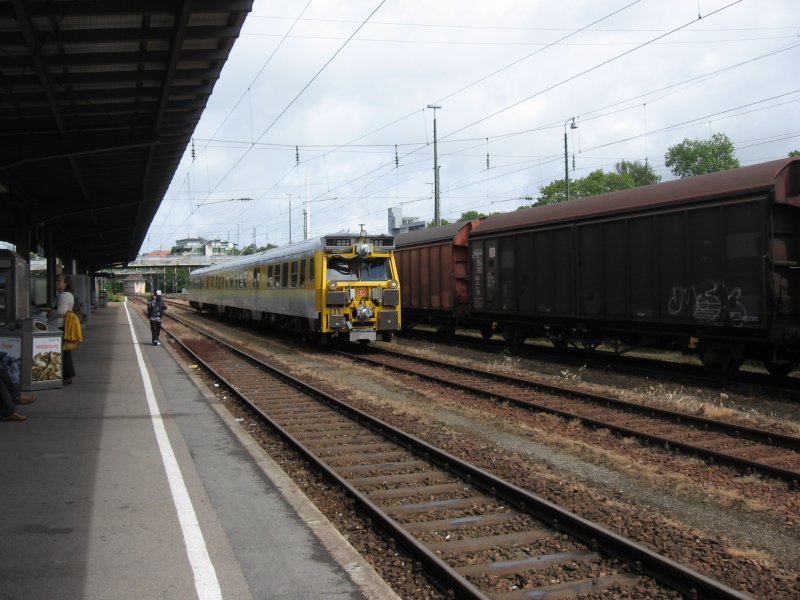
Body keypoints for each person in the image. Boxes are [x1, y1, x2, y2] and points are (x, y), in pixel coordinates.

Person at [49, 273, 76, 384]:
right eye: (56, 281)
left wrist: (49, 313)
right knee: (64, 352)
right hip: (61, 325)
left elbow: (61, 312)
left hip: (59, 326)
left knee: (63, 352)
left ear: (66, 283)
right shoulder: (64, 295)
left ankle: (65, 377)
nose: (56, 283)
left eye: (59, 281)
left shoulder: (64, 296)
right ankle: (66, 376)